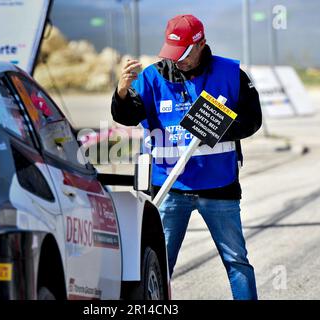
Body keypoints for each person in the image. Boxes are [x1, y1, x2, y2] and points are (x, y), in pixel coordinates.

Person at [111, 14, 262, 300]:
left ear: (201, 44)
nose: (177, 60)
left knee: (237, 262)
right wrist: (121, 92)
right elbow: (128, 116)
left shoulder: (231, 74)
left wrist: (215, 125)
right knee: (157, 266)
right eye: (172, 53)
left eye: (183, 54)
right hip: (170, 189)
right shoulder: (152, 77)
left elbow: (253, 120)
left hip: (220, 187)